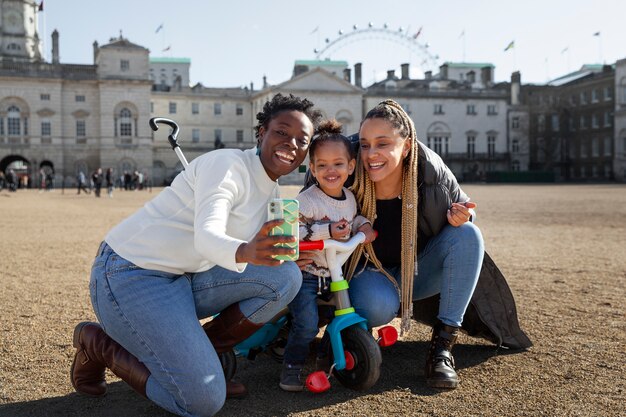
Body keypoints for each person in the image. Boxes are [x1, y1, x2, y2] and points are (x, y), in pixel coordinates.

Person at [69, 93, 322, 417]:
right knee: (202, 401)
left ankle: (208, 355)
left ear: (304, 153)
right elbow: (207, 235)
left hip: (184, 275)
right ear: (261, 133)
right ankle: (98, 344)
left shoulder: (271, 190)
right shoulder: (227, 165)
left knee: (286, 275)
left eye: (301, 140)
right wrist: (246, 250)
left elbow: (245, 251)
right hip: (130, 272)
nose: (290, 143)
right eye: (281, 132)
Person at [338, 99, 485, 390]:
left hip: (417, 271)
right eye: (365, 144)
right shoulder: (344, 163)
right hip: (369, 274)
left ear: (406, 147)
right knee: (376, 307)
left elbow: (467, 206)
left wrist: (463, 214)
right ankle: (357, 332)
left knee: (468, 235)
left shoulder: (430, 169)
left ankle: (442, 349)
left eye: (382, 144)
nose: (370, 154)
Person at [279, 120, 375, 392]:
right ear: (312, 169)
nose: (330, 171)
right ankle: (292, 367)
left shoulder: (349, 197)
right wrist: (326, 230)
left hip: (334, 273)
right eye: (322, 165)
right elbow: (291, 231)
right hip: (307, 273)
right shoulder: (307, 200)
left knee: (341, 314)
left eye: (338, 164)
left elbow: (352, 219)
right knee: (307, 324)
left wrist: (363, 226)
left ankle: (326, 355)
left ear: (351, 166)